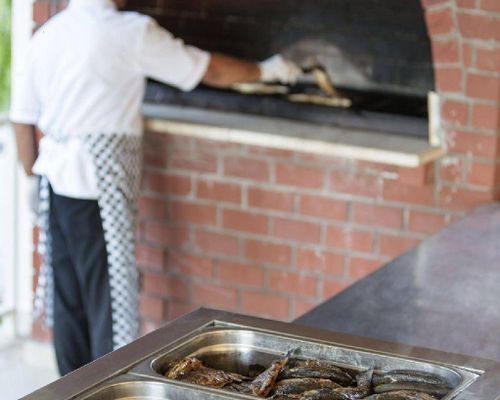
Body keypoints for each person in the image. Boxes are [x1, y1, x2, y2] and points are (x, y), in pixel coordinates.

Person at [10, 0, 301, 376]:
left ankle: (68, 386)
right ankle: (104, 386)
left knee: (69, 299)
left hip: (53, 185)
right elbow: (206, 68)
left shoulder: (49, 32)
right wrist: (266, 69)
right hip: (97, 189)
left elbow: (21, 119)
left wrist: (31, 181)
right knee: (108, 300)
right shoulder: (129, 31)